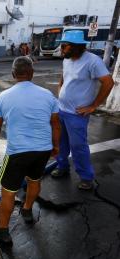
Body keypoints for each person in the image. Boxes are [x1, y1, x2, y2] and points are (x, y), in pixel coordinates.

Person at [0, 56, 60, 245]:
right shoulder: (48, 95)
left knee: (8, 191)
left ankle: (2, 230)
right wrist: (56, 146)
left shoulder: (3, 97)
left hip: (18, 153)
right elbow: (55, 124)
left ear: (13, 74)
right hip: (42, 150)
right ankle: (27, 209)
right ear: (32, 73)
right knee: (34, 180)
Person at [51, 30, 114, 190]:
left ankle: (86, 177)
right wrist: (61, 90)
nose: (61, 49)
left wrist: (93, 105)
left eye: (64, 46)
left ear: (76, 46)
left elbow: (108, 83)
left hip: (77, 114)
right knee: (60, 142)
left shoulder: (93, 61)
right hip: (61, 110)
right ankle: (62, 167)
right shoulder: (67, 60)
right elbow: (64, 77)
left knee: (78, 146)